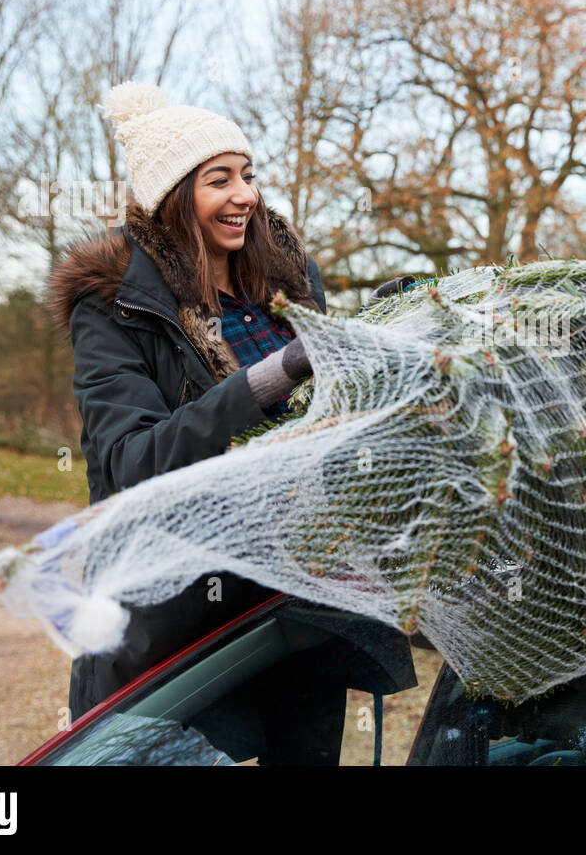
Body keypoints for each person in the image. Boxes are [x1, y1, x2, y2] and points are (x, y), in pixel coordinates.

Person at [46, 81, 411, 763]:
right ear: (173, 197)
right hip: (182, 634)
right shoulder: (115, 308)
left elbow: (330, 432)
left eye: (248, 175)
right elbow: (130, 461)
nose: (245, 193)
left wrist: (389, 336)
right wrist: (277, 374)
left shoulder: (289, 289)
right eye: (220, 179)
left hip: (297, 616)